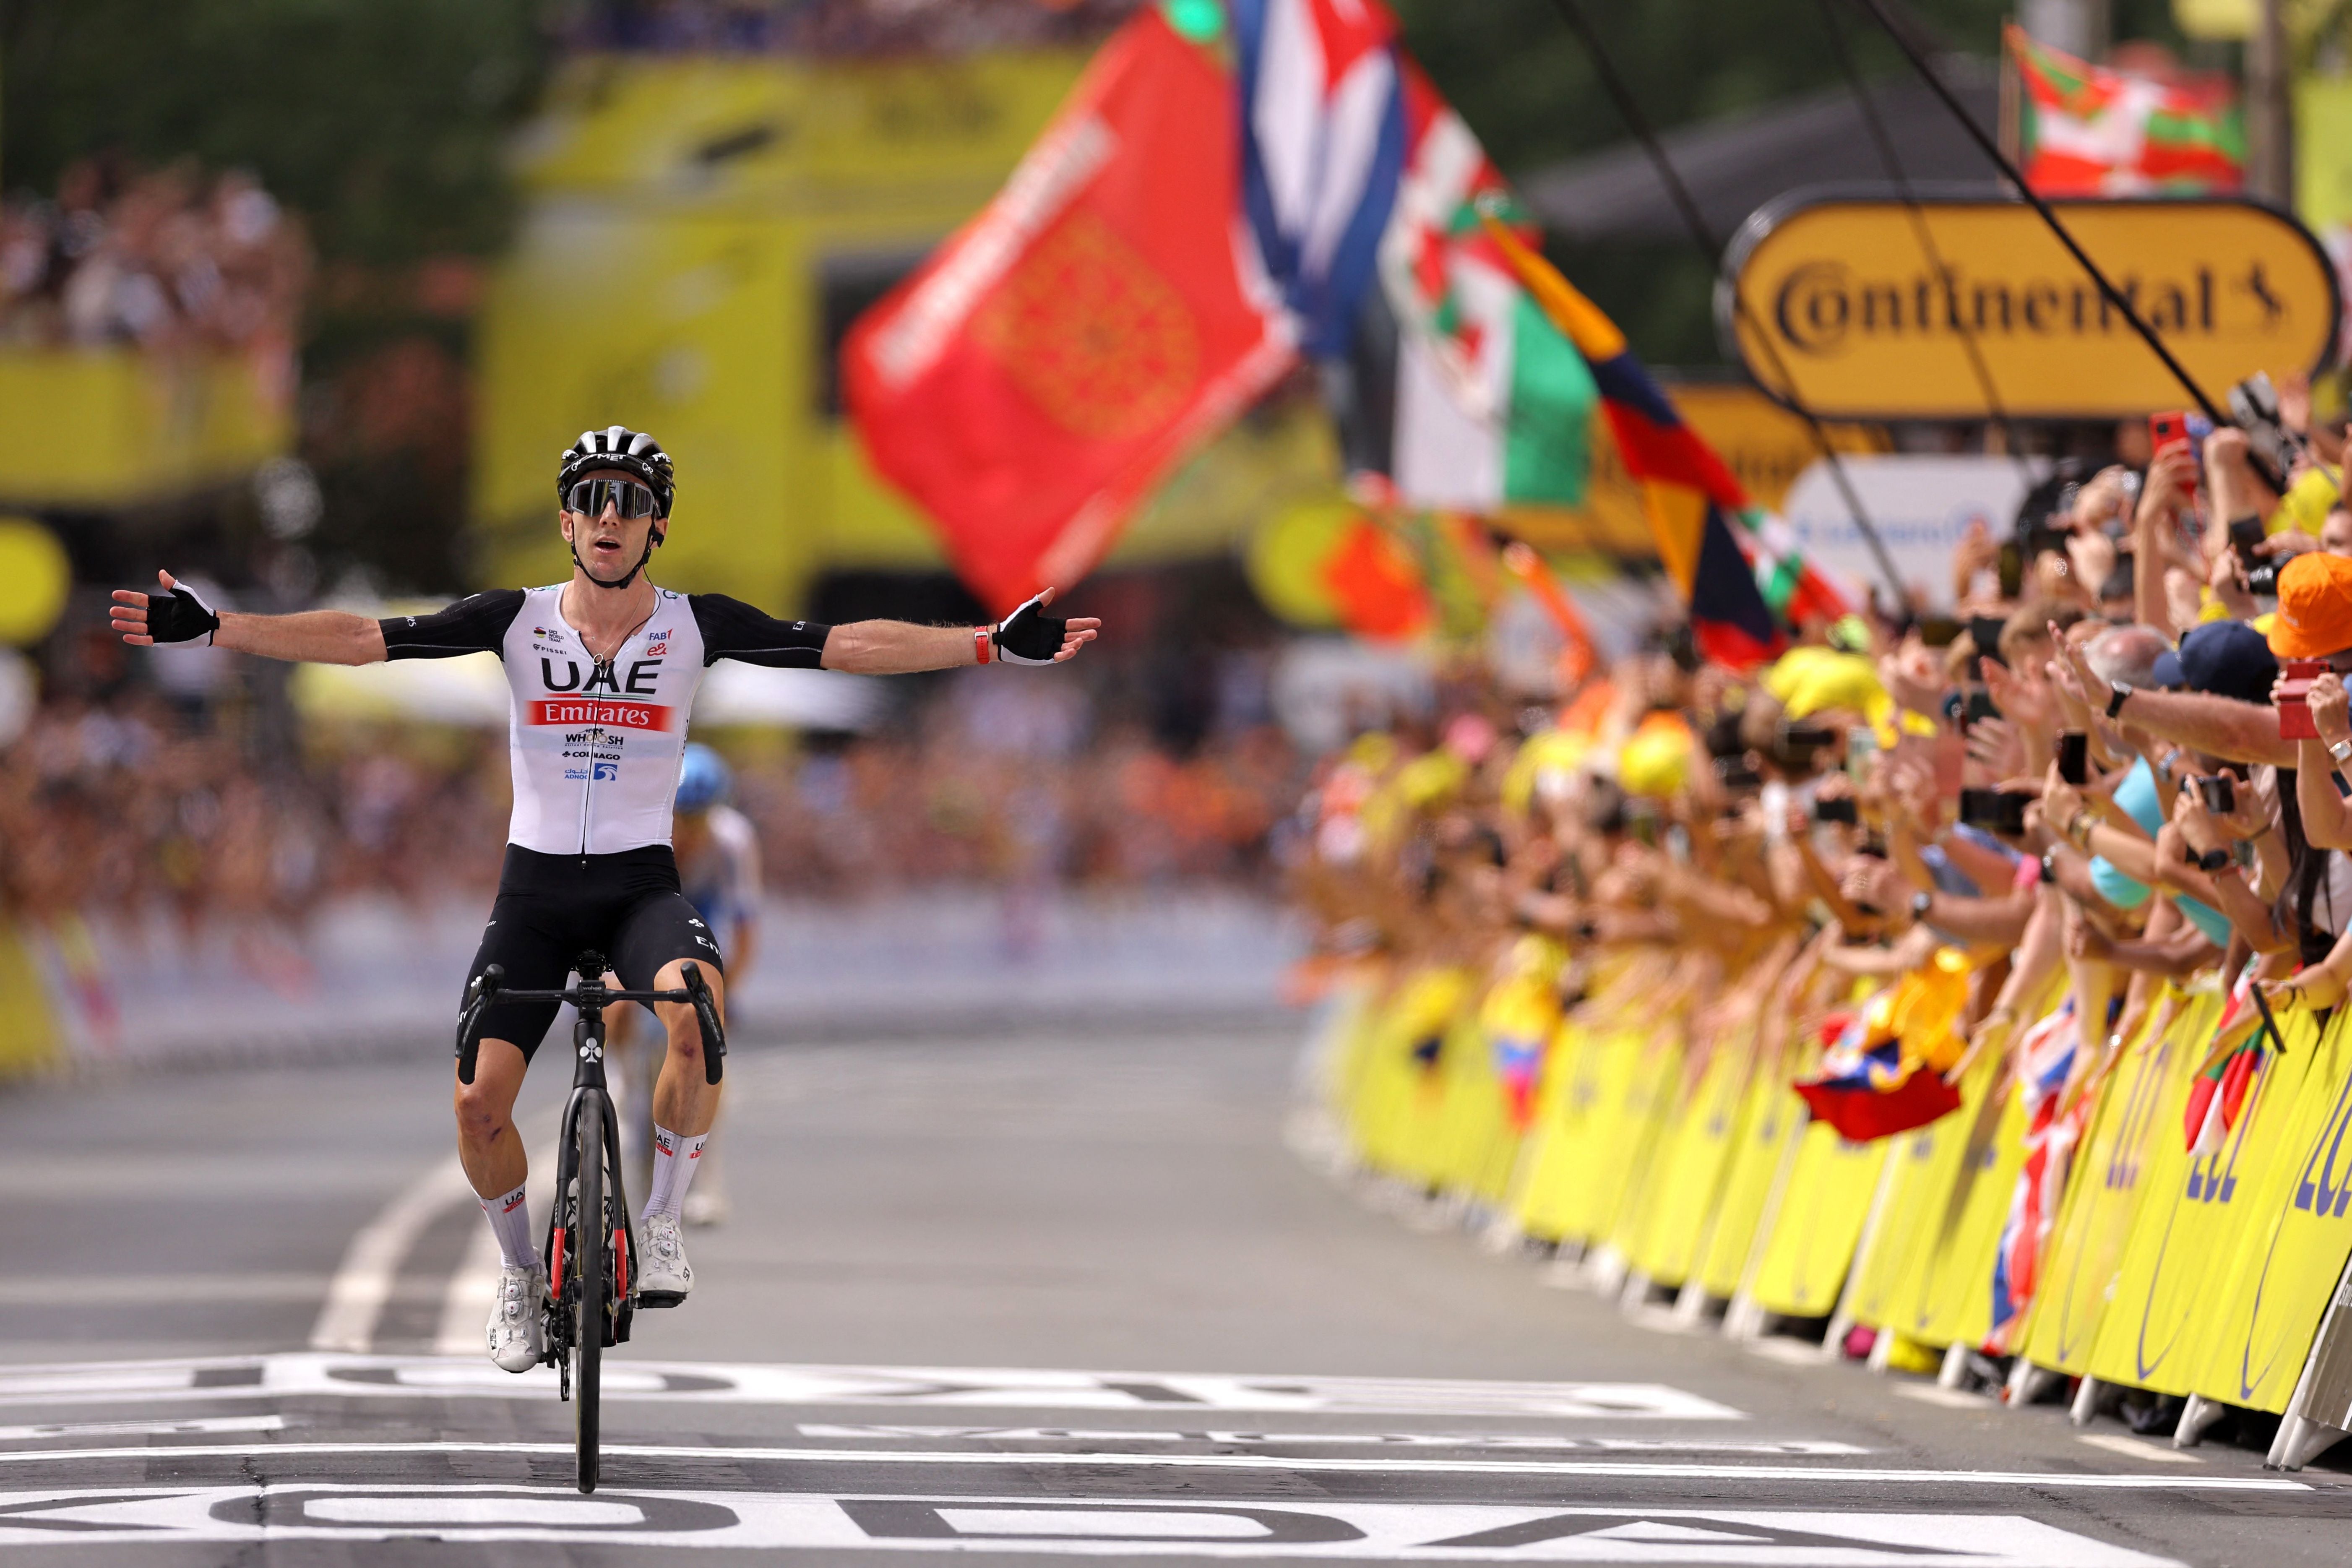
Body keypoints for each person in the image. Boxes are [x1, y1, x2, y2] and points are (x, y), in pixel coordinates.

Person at [109, 425, 1099, 1372]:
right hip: (534, 894)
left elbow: (846, 645)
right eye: (592, 502)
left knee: (695, 1011)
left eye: (630, 503)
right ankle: (516, 1278)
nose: (609, 517)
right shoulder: (514, 620)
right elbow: (366, 639)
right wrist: (218, 631)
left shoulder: (695, 626)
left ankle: (663, 1223)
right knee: (475, 1104)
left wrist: (989, 646)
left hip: (639, 887)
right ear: (568, 523)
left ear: (656, 525)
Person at [612, 742, 758, 1226]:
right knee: (613, 1003)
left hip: (703, 919)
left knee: (710, 1048)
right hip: (643, 913)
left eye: (699, 818)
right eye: (682, 817)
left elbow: (745, 933)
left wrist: (724, 998)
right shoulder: (642, 832)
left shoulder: (733, 842)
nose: (690, 829)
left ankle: (707, 1184)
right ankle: (622, 1078)